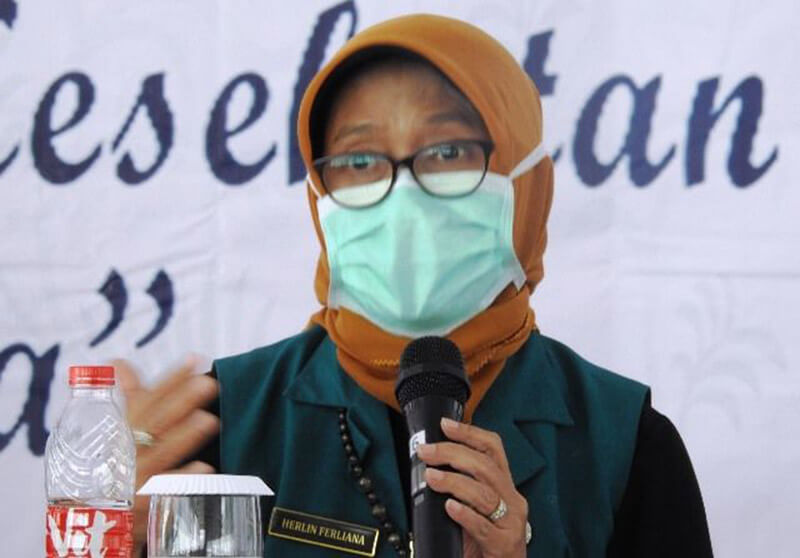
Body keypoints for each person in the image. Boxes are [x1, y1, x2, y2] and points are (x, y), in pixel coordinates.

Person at [117, 14, 714, 558]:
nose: (403, 196)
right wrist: (109, 534)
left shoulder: (624, 441)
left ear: (527, 181)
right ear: (319, 196)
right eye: (358, 161)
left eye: (448, 151)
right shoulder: (222, 423)